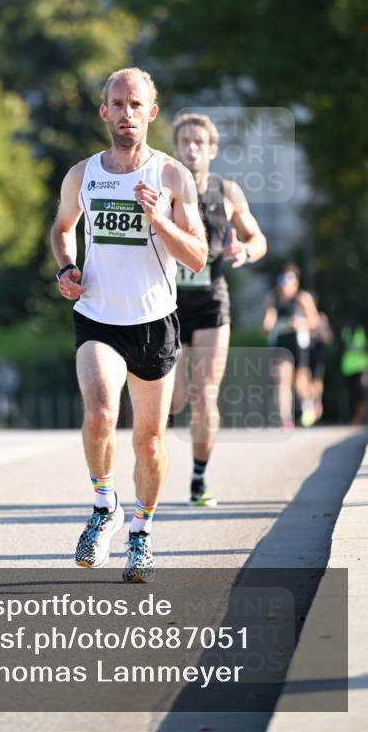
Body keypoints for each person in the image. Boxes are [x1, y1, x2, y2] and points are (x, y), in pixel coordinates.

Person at [50, 68, 208, 582]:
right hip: (97, 316)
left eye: (135, 105)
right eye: (117, 104)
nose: (126, 113)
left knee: (150, 443)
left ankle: (141, 533)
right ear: (104, 111)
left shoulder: (171, 176)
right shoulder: (82, 175)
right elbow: (62, 229)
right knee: (98, 410)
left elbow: (199, 256)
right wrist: (67, 268)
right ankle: (103, 506)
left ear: (151, 113)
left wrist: (158, 220)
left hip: (154, 323)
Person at [169, 113, 267, 506]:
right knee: (171, 401)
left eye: (199, 141)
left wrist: (246, 249)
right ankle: (152, 463)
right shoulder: (163, 187)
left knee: (205, 394)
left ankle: (198, 478)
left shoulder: (228, 192)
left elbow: (257, 237)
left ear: (212, 148)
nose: (191, 148)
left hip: (211, 300)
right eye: (185, 142)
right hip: (167, 307)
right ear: (175, 148)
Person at [262, 264, 319, 430]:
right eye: (283, 280)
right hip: (281, 346)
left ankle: (310, 403)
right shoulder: (273, 298)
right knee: (282, 382)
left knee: (300, 383)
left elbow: (315, 321)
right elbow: (267, 322)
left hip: (299, 345)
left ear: (296, 282)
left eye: (290, 280)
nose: (286, 284)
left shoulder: (303, 298)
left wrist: (301, 323)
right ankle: (285, 420)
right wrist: (268, 323)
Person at [307, 301, 333, 424]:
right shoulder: (301, 316)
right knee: (305, 380)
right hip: (303, 354)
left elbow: (328, 338)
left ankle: (317, 406)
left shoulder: (322, 318)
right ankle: (307, 408)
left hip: (317, 354)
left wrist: (319, 333)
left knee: (317, 381)